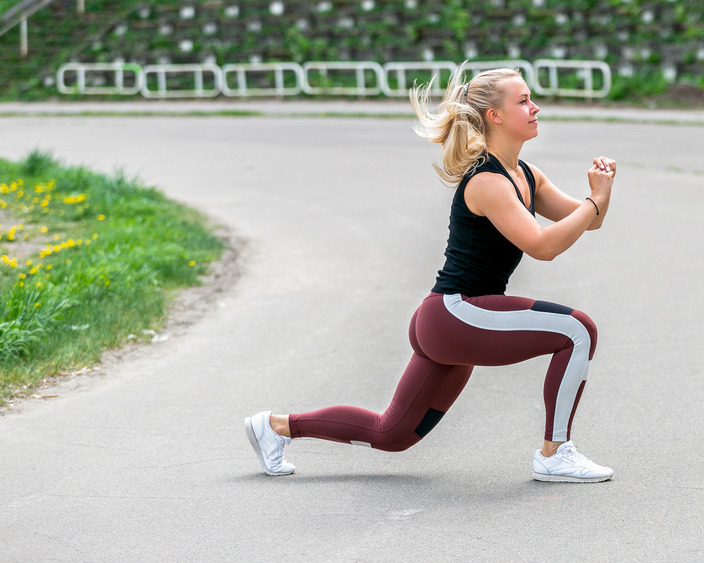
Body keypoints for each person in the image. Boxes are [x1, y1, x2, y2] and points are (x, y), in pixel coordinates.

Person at [245, 66, 617, 483]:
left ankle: (276, 426)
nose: (535, 108)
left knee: (393, 433)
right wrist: (594, 199)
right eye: (523, 101)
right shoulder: (488, 181)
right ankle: (555, 452)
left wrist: (598, 195)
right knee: (577, 329)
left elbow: (588, 220)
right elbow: (543, 246)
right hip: (458, 314)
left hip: (447, 320)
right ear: (494, 116)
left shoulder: (526, 174)